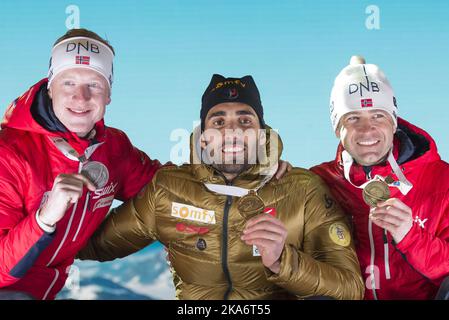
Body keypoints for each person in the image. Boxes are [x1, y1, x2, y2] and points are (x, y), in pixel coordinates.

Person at [78, 74, 364, 300]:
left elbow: (350, 288)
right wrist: (51, 213)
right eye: (218, 121)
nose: (232, 131)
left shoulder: (302, 190)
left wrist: (282, 261)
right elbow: (92, 246)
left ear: (262, 134)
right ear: (202, 138)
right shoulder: (168, 189)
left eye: (244, 120)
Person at [0, 29, 162, 300]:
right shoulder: (9, 153)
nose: (81, 97)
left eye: (94, 85)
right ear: (50, 87)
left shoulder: (114, 148)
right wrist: (44, 218)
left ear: (108, 94)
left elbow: (166, 188)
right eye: (69, 83)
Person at [311, 56, 449, 299]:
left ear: (393, 122)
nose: (367, 129)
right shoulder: (317, 182)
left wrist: (411, 235)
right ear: (337, 128)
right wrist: (275, 174)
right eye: (353, 118)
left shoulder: (442, 179)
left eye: (378, 115)